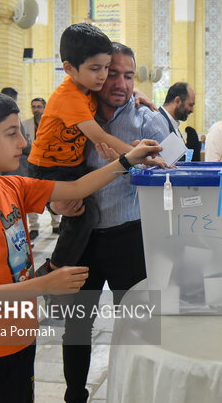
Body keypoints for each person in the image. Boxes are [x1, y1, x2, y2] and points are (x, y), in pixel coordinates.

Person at [0, 88, 162, 403]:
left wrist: (127, 159)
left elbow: (76, 186)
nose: (23, 142)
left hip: (19, 338)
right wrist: (43, 284)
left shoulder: (11, 185)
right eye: (12, 134)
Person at [53, 42, 167, 403]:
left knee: (139, 323)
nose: (119, 82)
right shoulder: (72, 116)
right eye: (112, 73)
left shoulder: (147, 119)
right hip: (81, 239)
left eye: (129, 76)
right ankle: (74, 394)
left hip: (129, 239)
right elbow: (46, 172)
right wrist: (55, 204)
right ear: (95, 73)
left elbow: (180, 165)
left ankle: (139, 392)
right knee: (76, 325)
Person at [27, 23, 140, 273]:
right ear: (69, 68)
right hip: (48, 168)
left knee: (82, 209)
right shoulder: (69, 96)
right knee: (82, 214)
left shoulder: (89, 88)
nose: (103, 76)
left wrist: (138, 94)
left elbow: (124, 89)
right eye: (96, 69)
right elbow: (98, 135)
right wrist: (136, 156)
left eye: (106, 68)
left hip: (72, 166)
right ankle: (53, 269)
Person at [22, 97, 61, 239]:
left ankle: (56, 224)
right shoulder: (25, 125)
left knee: (52, 195)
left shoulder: (53, 123)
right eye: (33, 107)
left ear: (45, 108)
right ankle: (34, 227)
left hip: (50, 166)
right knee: (32, 198)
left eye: (39, 107)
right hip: (31, 167)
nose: (36, 109)